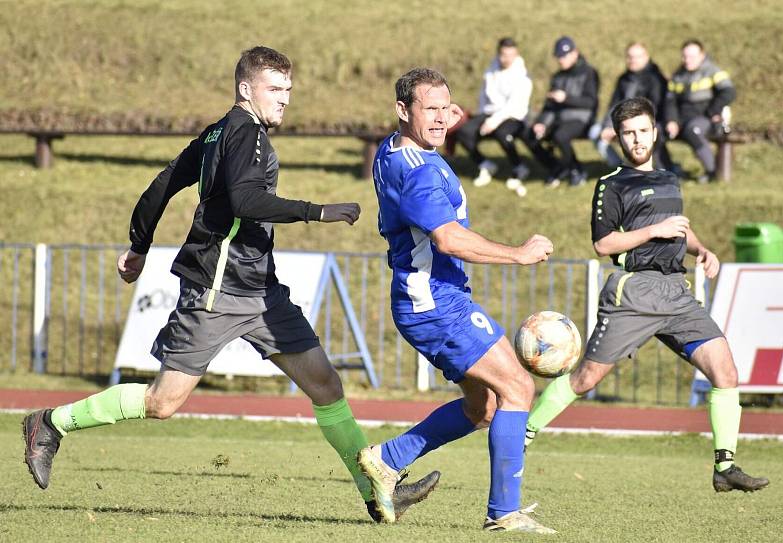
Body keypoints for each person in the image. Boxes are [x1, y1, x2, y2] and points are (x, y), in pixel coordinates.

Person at [21, 46, 438, 523]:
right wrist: (317, 211)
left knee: (325, 385)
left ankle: (378, 492)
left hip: (261, 290)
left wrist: (139, 245)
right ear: (246, 89)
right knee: (163, 402)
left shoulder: (218, 132)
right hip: (218, 288)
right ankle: (49, 424)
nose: (284, 99)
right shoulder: (246, 135)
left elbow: (162, 183)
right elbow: (245, 200)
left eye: (288, 90)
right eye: (274, 89)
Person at [524, 97, 769, 494]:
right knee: (585, 379)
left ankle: (725, 466)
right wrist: (654, 231)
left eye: (642, 131)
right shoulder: (612, 184)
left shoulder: (671, 179)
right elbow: (604, 244)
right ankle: (523, 435)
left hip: (676, 292)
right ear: (619, 138)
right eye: (628, 133)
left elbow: (681, 230)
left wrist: (703, 249)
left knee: (726, 372)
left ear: (655, 132)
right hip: (633, 293)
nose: (637, 139)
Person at [361, 67, 556, 533]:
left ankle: (388, 460)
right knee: (518, 390)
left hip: (427, 298)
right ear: (402, 111)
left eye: (445, 108)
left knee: (483, 407)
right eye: (428, 108)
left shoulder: (393, 150)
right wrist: (521, 255)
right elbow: (448, 239)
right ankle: (503, 514)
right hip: (436, 302)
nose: (440, 118)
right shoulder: (422, 172)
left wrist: (437, 118)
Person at [455, 37, 533, 197]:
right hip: (489, 113)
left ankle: (519, 166)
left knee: (502, 133)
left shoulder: (522, 76)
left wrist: (493, 121)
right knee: (464, 132)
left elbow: (514, 105)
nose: (507, 59)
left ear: (516, 54)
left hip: (513, 115)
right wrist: (481, 114)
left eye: (511, 55)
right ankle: (485, 165)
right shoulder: (491, 70)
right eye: (504, 54)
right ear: (499, 54)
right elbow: (484, 94)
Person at [523, 36, 599, 187]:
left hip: (581, 119)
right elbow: (550, 106)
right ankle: (556, 167)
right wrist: (541, 123)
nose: (560, 60)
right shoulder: (557, 77)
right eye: (558, 56)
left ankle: (577, 169)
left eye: (564, 56)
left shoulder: (589, 73)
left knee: (560, 135)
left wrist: (566, 98)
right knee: (529, 134)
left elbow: (590, 102)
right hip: (559, 119)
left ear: (575, 53)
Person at [589, 42, 672, 170]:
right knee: (595, 132)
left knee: (649, 133)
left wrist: (629, 124)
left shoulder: (655, 78)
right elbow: (614, 105)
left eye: (637, 56)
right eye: (630, 56)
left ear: (646, 57)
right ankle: (622, 169)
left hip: (652, 122)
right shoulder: (623, 79)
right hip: (624, 122)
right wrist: (608, 126)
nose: (633, 60)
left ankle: (660, 168)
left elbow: (655, 108)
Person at [664, 39, 735, 183]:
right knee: (655, 132)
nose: (687, 60)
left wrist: (713, 111)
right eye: (684, 56)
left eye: (691, 56)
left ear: (702, 55)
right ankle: (667, 172)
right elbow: (670, 101)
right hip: (681, 119)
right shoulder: (678, 75)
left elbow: (728, 92)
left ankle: (713, 172)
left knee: (693, 130)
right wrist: (671, 120)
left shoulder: (713, 71)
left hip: (706, 118)